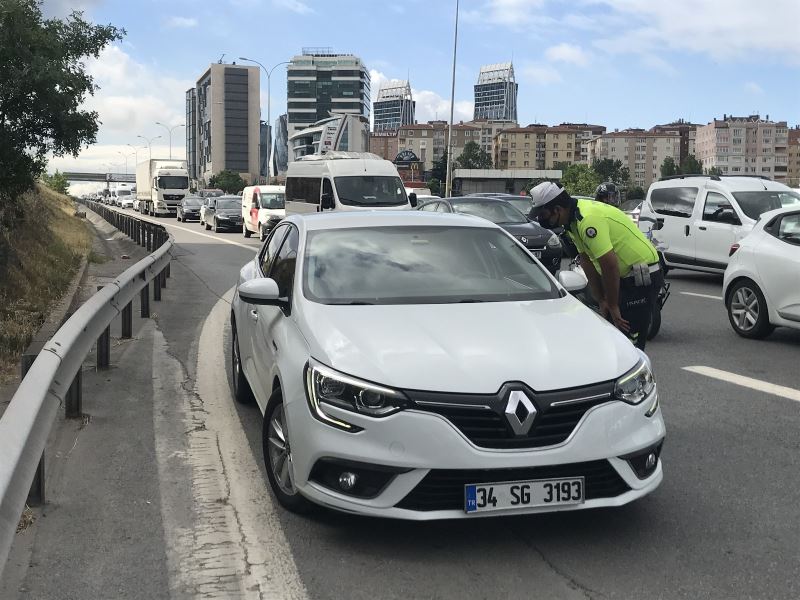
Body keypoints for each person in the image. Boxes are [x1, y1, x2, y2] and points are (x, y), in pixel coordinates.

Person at [530, 181, 662, 350]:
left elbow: (609, 264)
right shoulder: (572, 223)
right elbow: (587, 261)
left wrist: (613, 305)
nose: (541, 220)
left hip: (641, 277)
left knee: (630, 343)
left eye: (543, 215)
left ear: (557, 209)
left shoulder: (587, 220)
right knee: (613, 337)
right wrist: (601, 299)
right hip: (624, 278)